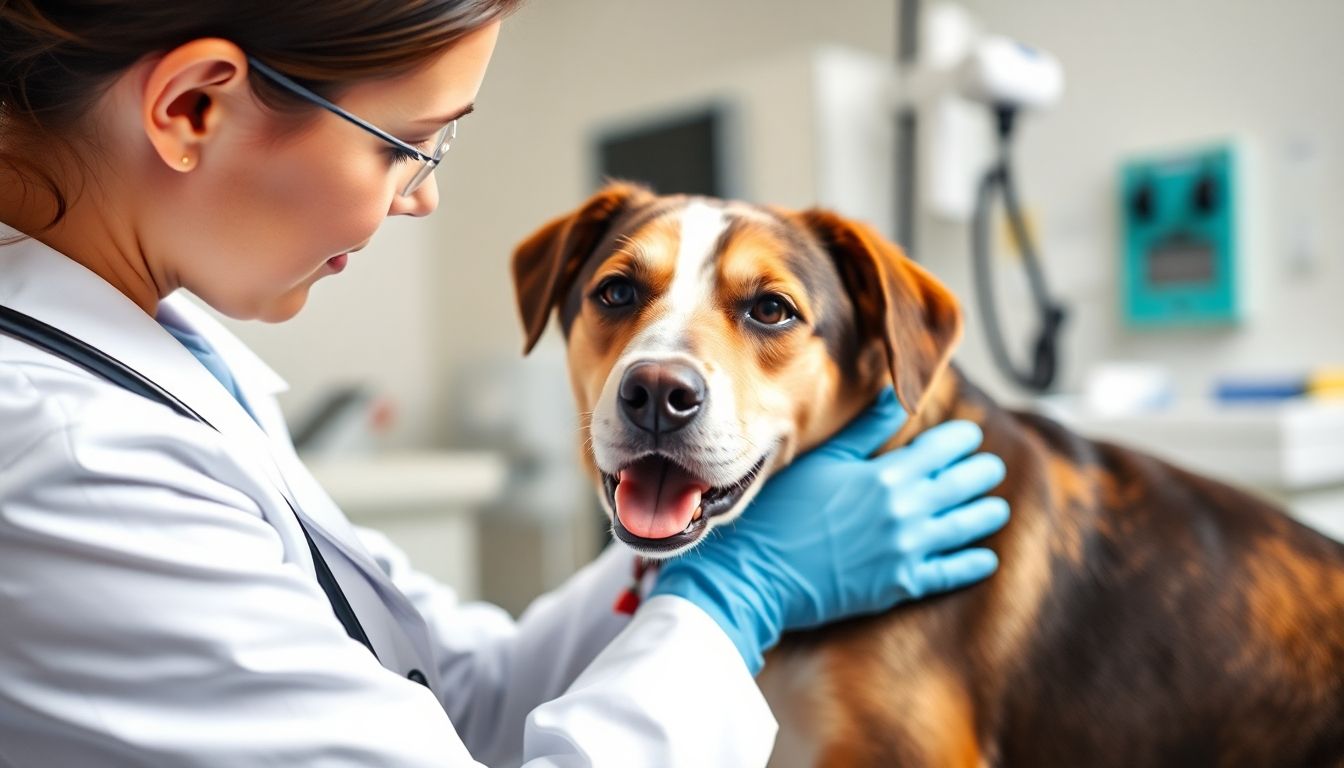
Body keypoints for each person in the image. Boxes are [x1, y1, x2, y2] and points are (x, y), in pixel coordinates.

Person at [0, 2, 1011, 765]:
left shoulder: (163, 356)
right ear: (192, 107)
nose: (425, 196)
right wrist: (736, 595)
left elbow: (453, 689)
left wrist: (687, 561)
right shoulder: (64, 452)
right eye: (407, 145)